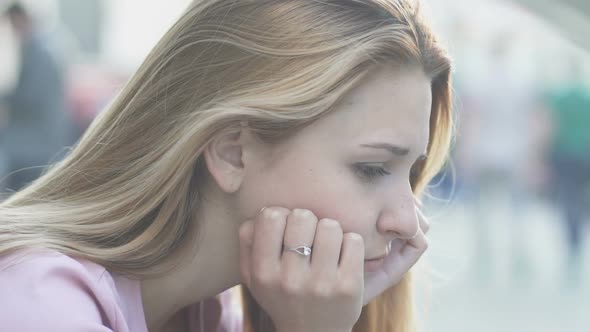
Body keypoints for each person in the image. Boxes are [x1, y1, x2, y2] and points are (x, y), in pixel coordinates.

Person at [0, 0, 453, 331]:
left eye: (411, 173)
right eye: (372, 168)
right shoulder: (41, 305)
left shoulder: (209, 314)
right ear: (232, 152)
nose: (408, 222)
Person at [1, 2, 73, 191]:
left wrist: (7, 100)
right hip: (33, 144)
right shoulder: (36, 50)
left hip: (35, 146)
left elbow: (32, 97)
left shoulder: (39, 54)